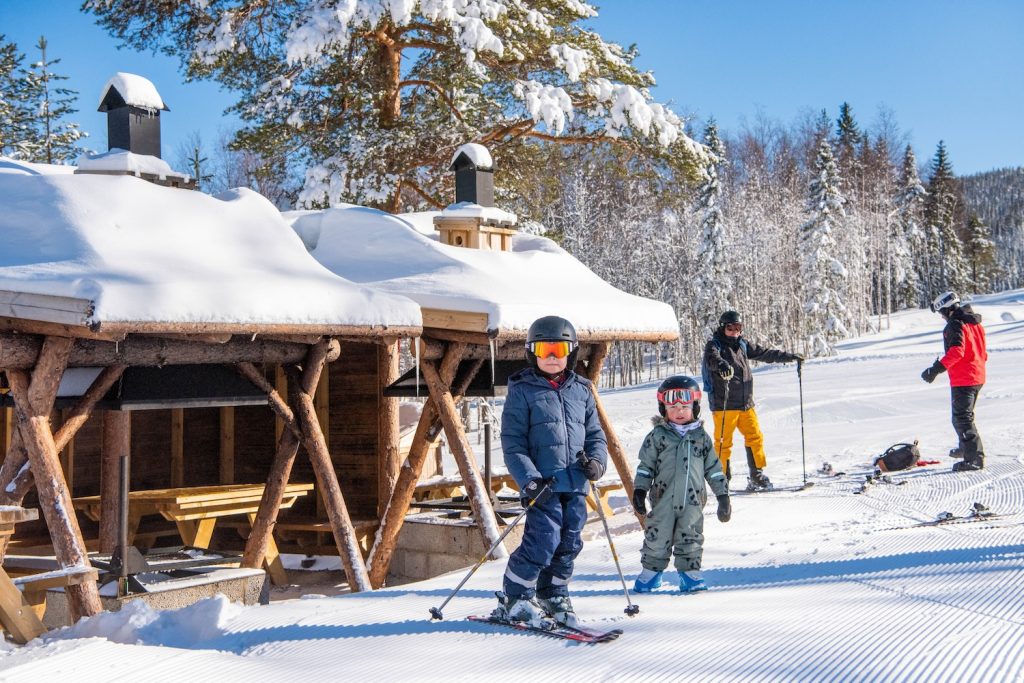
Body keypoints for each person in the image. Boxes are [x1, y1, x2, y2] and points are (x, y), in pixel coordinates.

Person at [495, 315, 608, 627]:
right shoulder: (523, 390)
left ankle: (553, 591)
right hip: (543, 485)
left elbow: (596, 435)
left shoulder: (582, 390)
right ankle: (517, 595)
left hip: (576, 481)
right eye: (546, 350)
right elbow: (513, 443)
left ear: (570, 351)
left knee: (570, 540)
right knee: (543, 539)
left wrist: (596, 463)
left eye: (559, 349)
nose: (553, 357)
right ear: (533, 352)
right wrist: (529, 481)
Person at [631, 375, 730, 594]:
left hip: (693, 501)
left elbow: (713, 469)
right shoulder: (657, 436)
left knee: (691, 535)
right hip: (663, 499)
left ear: (694, 407)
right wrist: (639, 490)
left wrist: (723, 496)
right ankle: (651, 573)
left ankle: (690, 575)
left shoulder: (701, 438)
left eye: (685, 406)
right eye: (672, 406)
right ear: (663, 408)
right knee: (657, 535)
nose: (679, 411)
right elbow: (645, 466)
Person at [702, 310, 802, 491]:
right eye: (730, 328)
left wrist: (789, 357)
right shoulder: (714, 345)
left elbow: (764, 353)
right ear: (723, 328)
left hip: (746, 404)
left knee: (755, 437)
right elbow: (712, 359)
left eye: (738, 327)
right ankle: (721, 479)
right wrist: (722, 364)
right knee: (723, 444)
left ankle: (757, 475)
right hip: (724, 405)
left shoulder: (742, 345)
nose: (734, 331)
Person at [920, 291, 988, 472]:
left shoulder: (955, 325)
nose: (942, 317)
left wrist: (935, 370)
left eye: (942, 313)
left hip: (965, 378)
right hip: (977, 374)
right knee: (963, 417)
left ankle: (974, 459)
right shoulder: (973, 322)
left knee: (962, 419)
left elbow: (957, 351)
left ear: (947, 309)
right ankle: (966, 449)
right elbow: (982, 350)